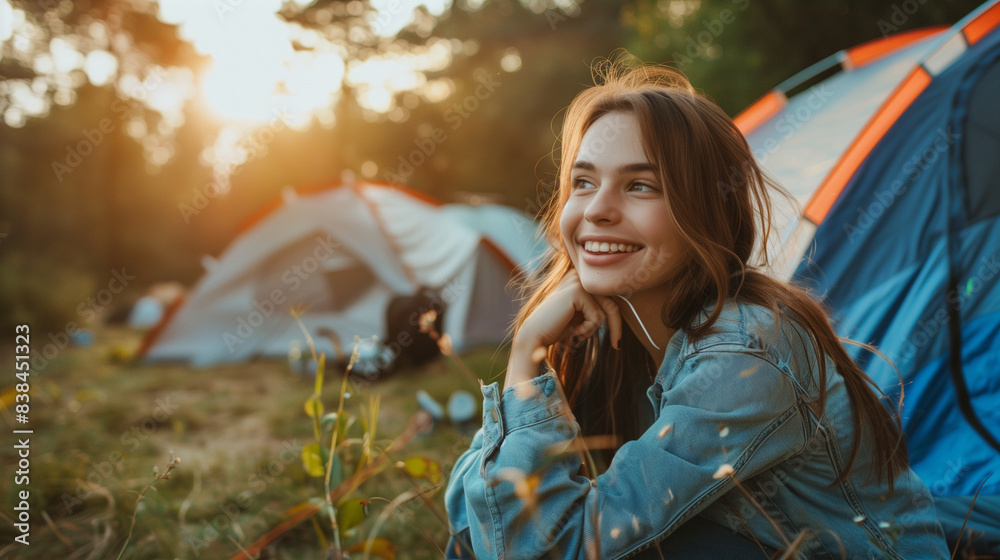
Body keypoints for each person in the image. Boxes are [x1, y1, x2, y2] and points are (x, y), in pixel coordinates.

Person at [443, 61, 950, 559]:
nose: (597, 208)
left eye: (640, 185)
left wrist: (527, 354)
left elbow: (553, 547)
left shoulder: (744, 356)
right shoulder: (606, 334)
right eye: (583, 182)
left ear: (705, 210)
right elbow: (476, 517)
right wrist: (537, 357)